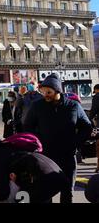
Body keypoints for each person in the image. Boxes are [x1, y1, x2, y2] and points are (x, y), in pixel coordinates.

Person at [24, 73, 93, 203]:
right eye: (43, 92)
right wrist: (38, 142)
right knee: (45, 191)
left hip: (68, 157)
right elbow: (27, 126)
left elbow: (86, 127)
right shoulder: (37, 106)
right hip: (45, 157)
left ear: (57, 90)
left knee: (67, 191)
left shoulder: (73, 106)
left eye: (48, 92)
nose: (45, 95)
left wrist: (75, 143)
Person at [89, 84, 99, 172]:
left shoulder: (96, 97)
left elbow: (94, 110)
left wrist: (89, 120)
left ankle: (98, 166)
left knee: (98, 144)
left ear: (96, 89)